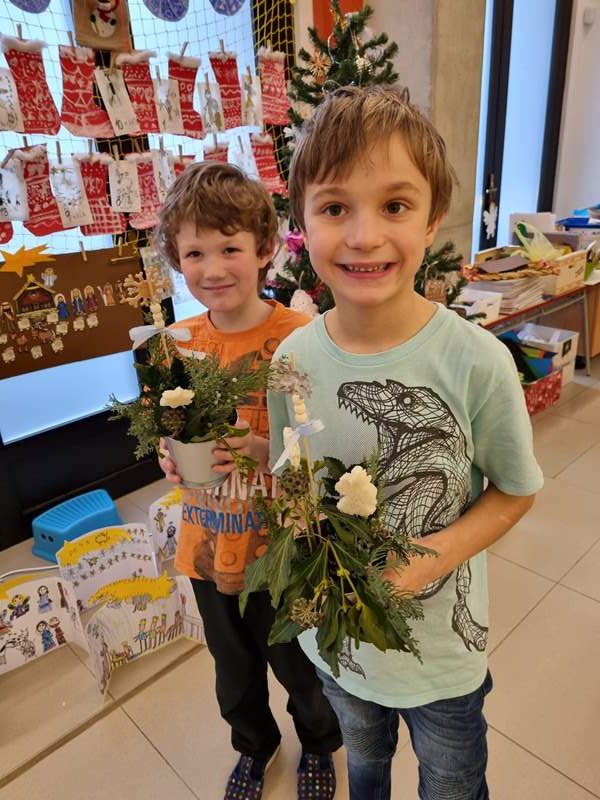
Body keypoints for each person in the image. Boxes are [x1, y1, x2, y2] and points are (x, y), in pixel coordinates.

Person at [268, 86, 544, 800]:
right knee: (364, 762)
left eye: (394, 205)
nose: (364, 236)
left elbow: (517, 489)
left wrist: (436, 554)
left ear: (432, 219)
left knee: (451, 780)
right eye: (335, 208)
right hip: (338, 645)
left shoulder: (478, 362)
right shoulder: (291, 362)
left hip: (440, 656)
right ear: (301, 221)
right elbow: (289, 478)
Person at [155, 162, 341, 800]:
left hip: (284, 550)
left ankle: (318, 743)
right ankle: (255, 747)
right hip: (208, 547)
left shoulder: (301, 338)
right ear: (177, 260)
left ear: (264, 248)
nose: (212, 269)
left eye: (230, 248)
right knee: (233, 674)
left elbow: (324, 450)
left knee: (301, 668)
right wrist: (167, 459)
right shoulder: (176, 343)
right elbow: (165, 429)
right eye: (194, 253)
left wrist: (260, 448)